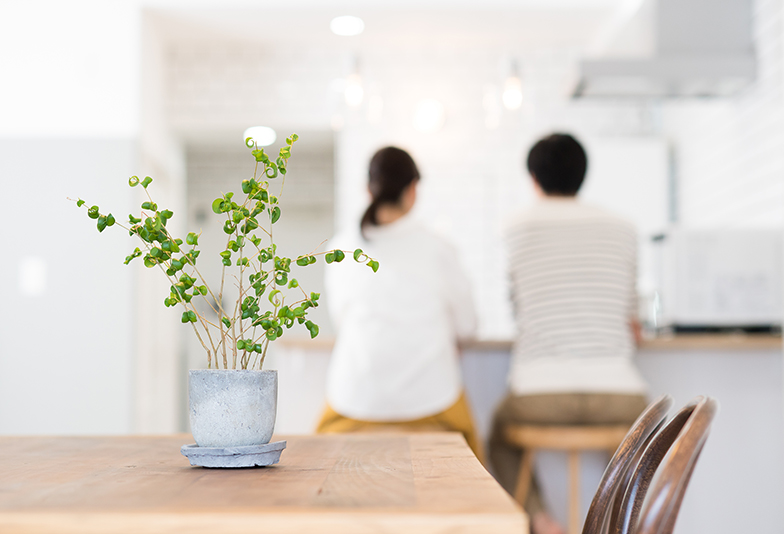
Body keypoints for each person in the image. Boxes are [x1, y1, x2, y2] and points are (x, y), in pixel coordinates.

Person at [489, 133, 648, 534]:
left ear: (534, 179)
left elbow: (517, 307)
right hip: (621, 397)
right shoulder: (624, 228)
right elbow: (635, 324)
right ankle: (623, 522)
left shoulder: (514, 227)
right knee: (640, 443)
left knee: (498, 435)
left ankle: (542, 520)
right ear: (583, 176)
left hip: (539, 397)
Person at [316, 146, 482, 458]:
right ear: (413, 190)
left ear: (368, 189)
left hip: (354, 405)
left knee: (314, 459)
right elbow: (468, 326)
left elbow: (340, 319)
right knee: (476, 459)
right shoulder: (439, 248)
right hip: (433, 405)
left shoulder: (340, 248)